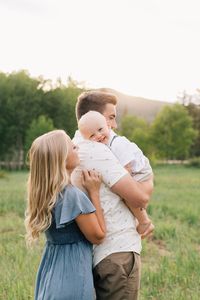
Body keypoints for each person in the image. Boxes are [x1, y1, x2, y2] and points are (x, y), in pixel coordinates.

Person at [71, 91, 154, 300]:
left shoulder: (76, 146)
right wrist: (149, 180)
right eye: (110, 117)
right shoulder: (97, 151)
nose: (113, 125)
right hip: (118, 252)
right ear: (93, 117)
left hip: (104, 254)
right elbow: (140, 198)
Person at [24, 129, 106, 300]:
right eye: (71, 145)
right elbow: (98, 236)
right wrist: (94, 192)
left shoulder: (46, 194)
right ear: (60, 157)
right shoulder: (72, 195)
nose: (76, 145)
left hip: (49, 273)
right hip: (72, 276)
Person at [78, 110, 154, 237]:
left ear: (108, 125)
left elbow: (127, 167)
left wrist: (126, 185)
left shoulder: (118, 143)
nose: (98, 135)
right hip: (134, 171)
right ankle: (142, 220)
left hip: (139, 171)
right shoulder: (104, 146)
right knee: (126, 196)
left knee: (129, 196)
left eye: (100, 129)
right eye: (92, 136)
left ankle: (144, 221)